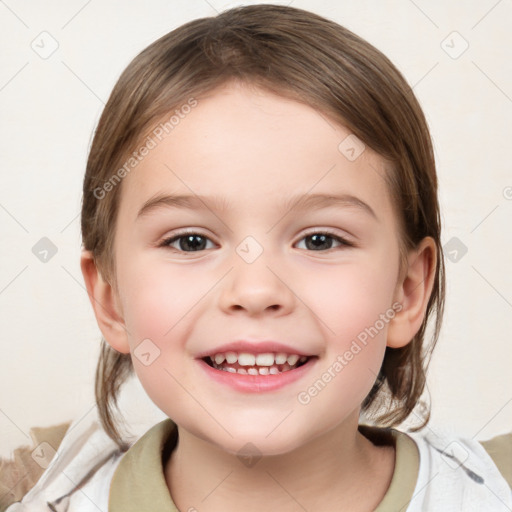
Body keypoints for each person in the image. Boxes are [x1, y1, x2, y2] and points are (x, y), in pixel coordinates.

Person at [3, 4, 511, 511]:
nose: (255, 291)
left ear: (407, 292)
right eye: (191, 242)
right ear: (110, 299)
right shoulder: (39, 494)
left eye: (320, 240)